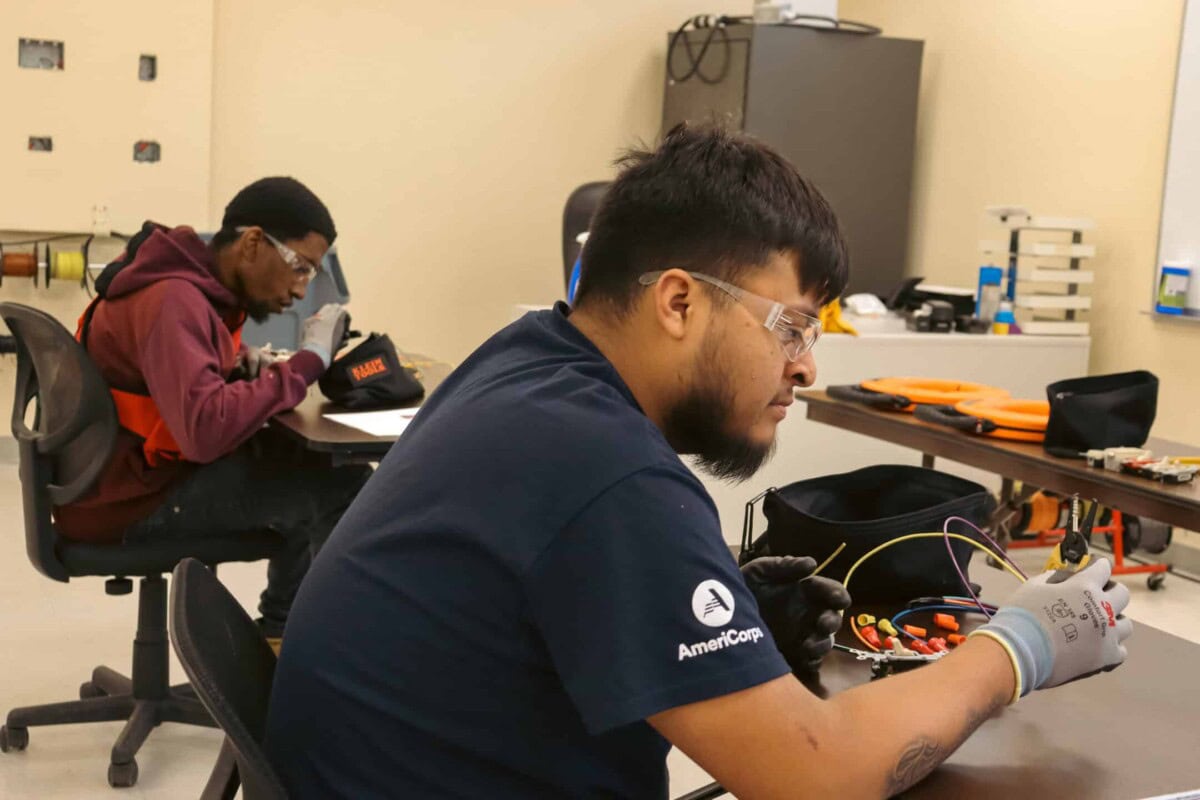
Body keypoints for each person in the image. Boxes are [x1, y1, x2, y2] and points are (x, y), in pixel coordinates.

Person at [265, 127, 1132, 798]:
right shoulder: (606, 467)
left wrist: (715, 620)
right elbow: (816, 777)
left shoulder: (527, 363)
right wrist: (1020, 644)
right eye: (790, 325)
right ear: (678, 301)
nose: (806, 365)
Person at [55, 177, 373, 644]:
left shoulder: (189, 286)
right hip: (128, 499)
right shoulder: (172, 298)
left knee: (316, 467)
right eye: (301, 268)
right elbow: (203, 432)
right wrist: (307, 362)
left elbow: (171, 389)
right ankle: (309, 651)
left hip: (114, 476)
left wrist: (231, 369)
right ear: (251, 244)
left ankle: (283, 639)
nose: (304, 290)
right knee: (342, 489)